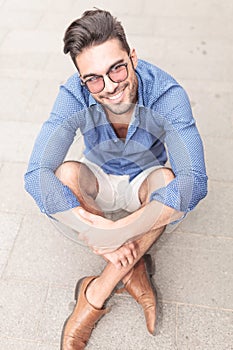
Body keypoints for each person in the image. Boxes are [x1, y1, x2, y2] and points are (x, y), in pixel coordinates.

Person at [24, 9, 208, 349]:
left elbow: (195, 180)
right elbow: (36, 174)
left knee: (169, 183)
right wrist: (96, 227)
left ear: (132, 57)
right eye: (93, 78)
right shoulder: (73, 94)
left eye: (117, 68)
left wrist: (117, 233)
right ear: (81, 78)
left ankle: (96, 292)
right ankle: (134, 268)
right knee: (63, 174)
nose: (109, 86)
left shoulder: (166, 94)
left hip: (144, 181)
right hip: (100, 177)